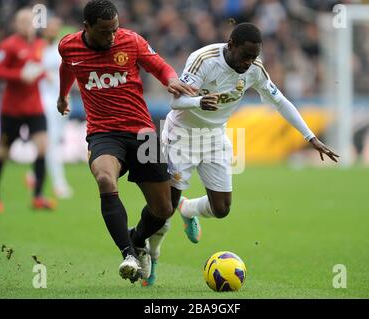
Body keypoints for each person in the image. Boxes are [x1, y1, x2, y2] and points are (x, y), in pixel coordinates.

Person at [142, 22, 339, 286]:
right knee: (163, 210)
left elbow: (280, 101)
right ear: (231, 45)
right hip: (182, 136)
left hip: (215, 137)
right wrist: (198, 101)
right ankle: (151, 258)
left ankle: (188, 210)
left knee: (222, 209)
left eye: (254, 57)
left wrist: (310, 137)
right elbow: (175, 101)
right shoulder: (203, 60)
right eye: (246, 55)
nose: (249, 62)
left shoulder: (255, 69)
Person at [57, 0, 195, 283]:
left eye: (115, 30)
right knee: (106, 180)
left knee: (163, 209)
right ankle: (128, 254)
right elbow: (67, 66)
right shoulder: (68, 46)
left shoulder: (130, 41)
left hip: (142, 132)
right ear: (87, 27)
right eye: (105, 31)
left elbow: (158, 66)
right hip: (104, 133)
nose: (112, 37)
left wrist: (170, 78)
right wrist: (63, 94)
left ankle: (137, 238)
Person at [0, 8, 55, 213]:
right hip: (12, 110)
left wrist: (44, 75)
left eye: (30, 22)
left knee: (43, 147)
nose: (27, 25)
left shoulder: (39, 45)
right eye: (23, 22)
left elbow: (37, 68)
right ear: (16, 24)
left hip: (34, 107)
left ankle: (38, 196)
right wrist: (19, 75)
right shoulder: (8, 45)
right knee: (3, 152)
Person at [39, 16, 74, 199]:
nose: (54, 30)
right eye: (51, 27)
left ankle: (32, 175)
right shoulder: (38, 49)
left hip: (63, 99)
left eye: (56, 27)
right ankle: (59, 184)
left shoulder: (60, 48)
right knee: (52, 143)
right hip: (46, 101)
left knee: (55, 141)